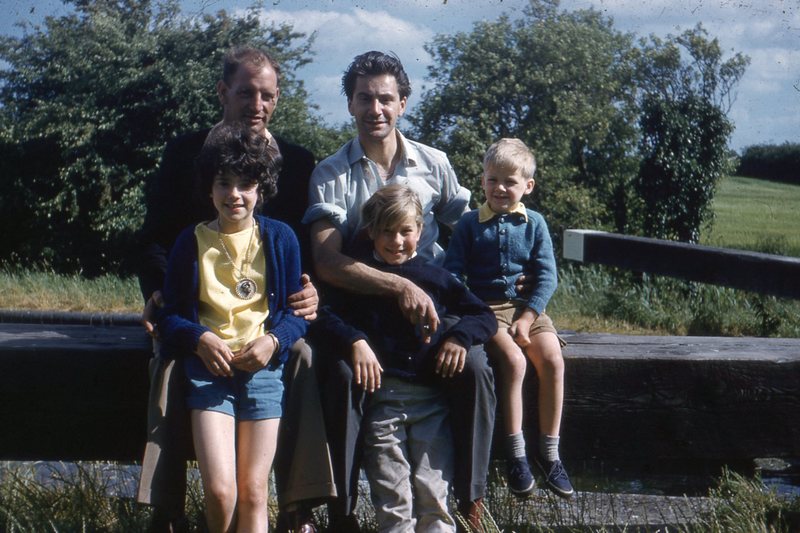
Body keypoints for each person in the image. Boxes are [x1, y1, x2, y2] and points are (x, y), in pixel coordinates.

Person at [136, 45, 332, 533]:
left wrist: (311, 293)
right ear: (224, 92)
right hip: (193, 305)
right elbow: (154, 238)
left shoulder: (300, 162)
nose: (257, 104)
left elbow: (302, 252)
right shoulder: (187, 154)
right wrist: (160, 293)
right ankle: (167, 508)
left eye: (267, 95)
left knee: (305, 357)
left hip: (272, 314)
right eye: (246, 92)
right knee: (168, 362)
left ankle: (298, 505)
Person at [303, 50, 496, 531]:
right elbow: (327, 262)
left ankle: (471, 500)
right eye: (364, 98)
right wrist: (396, 287)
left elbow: (473, 230)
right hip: (361, 312)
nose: (376, 110)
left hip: (429, 311)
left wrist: (517, 284)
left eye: (385, 99)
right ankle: (341, 509)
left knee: (473, 364)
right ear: (349, 104)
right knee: (345, 375)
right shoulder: (330, 174)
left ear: (403, 103)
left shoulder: (434, 164)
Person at [308, 185, 497, 532]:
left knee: (434, 496)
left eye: (405, 231)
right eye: (386, 231)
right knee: (394, 503)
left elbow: (483, 315)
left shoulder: (436, 279)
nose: (396, 241)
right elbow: (322, 315)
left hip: (432, 408)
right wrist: (356, 340)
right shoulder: (359, 280)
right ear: (371, 232)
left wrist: (458, 338)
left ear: (420, 231)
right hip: (383, 409)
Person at [157, 124, 307, 531]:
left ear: (262, 190)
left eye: (246, 184)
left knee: (255, 493)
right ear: (210, 188)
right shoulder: (191, 241)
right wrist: (199, 338)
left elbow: (297, 315)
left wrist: (274, 341)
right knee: (222, 493)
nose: (234, 195)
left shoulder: (280, 239)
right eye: (224, 183)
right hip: (209, 374)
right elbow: (168, 317)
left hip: (262, 372)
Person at [444, 138, 574, 499]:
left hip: (529, 309)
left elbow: (547, 275)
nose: (500, 188)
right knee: (515, 362)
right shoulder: (469, 224)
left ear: (527, 186)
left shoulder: (535, 224)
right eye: (492, 179)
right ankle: (517, 455)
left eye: (510, 181)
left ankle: (550, 454)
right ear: (482, 180)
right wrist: (468, 305)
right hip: (488, 312)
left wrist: (530, 313)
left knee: (552, 360)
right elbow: (452, 273)